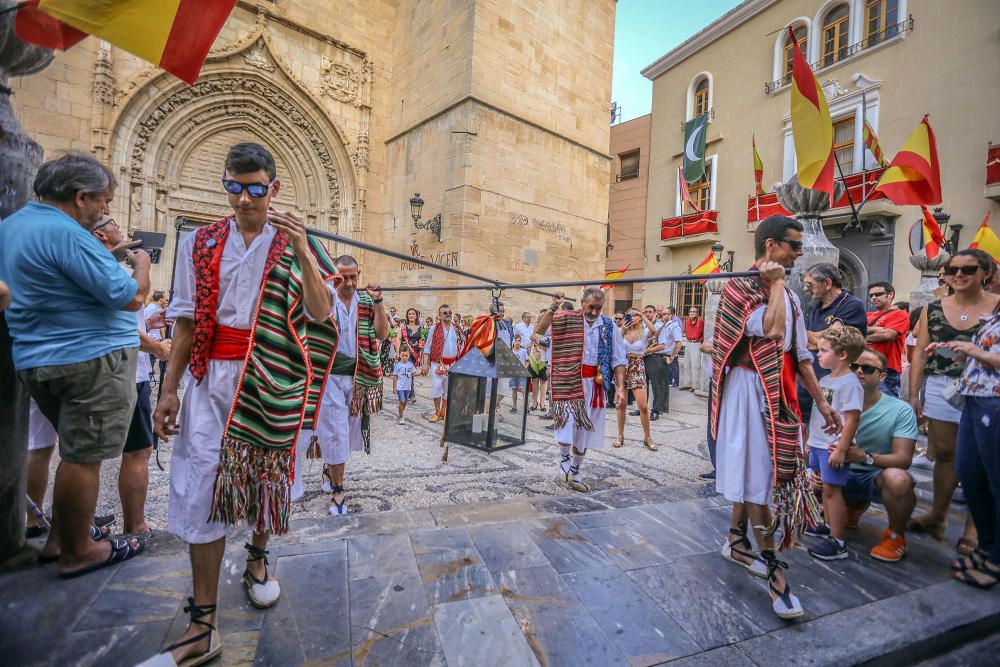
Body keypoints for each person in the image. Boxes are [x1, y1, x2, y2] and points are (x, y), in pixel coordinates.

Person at [149, 143, 340, 665]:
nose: (244, 199)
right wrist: (170, 390)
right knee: (201, 483)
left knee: (266, 476)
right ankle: (203, 619)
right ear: (226, 187)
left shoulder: (297, 242)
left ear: (274, 188)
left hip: (273, 378)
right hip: (211, 380)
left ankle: (257, 558)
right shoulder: (203, 241)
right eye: (234, 187)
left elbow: (322, 317)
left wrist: (303, 249)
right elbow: (185, 321)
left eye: (256, 188)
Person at [0, 153, 150, 577]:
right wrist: (141, 267)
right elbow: (131, 297)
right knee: (83, 457)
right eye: (102, 201)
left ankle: (58, 539)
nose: (105, 209)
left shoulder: (11, 227)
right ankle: (79, 550)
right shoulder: (67, 234)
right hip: (88, 360)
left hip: (37, 357)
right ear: (80, 197)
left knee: (73, 451)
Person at [711, 215, 839, 620]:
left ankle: (736, 540)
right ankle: (775, 575)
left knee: (757, 475)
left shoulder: (794, 297)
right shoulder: (740, 288)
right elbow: (772, 329)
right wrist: (777, 283)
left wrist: (821, 403)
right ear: (771, 246)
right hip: (748, 392)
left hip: (780, 395)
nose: (799, 253)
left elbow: (800, 355)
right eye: (793, 246)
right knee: (758, 480)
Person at [908, 250, 998, 555]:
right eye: (952, 269)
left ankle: (974, 528)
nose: (958, 274)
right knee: (945, 455)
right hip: (941, 387)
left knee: (982, 459)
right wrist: (913, 394)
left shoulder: (997, 307)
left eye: (968, 269)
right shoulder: (932, 308)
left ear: (985, 272)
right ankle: (938, 516)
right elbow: (920, 352)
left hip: (987, 391)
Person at [89, 216, 172, 538]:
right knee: (136, 451)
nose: (120, 228)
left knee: (88, 453)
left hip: (115, 370)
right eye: (111, 221)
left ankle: (78, 522)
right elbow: (119, 320)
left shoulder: (97, 269)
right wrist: (158, 347)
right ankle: (136, 526)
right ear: (101, 233)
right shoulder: (112, 271)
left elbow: (127, 315)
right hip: (123, 372)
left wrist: (150, 326)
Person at [306, 255, 386, 517]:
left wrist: (379, 301)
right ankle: (339, 491)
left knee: (346, 433)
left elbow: (382, 334)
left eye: (354, 277)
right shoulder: (325, 298)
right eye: (343, 277)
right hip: (328, 375)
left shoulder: (366, 301)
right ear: (333, 275)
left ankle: (330, 468)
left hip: (358, 376)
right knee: (335, 431)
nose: (349, 282)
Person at [535, 287, 626, 492]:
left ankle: (575, 472)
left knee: (584, 430)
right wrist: (553, 307)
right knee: (566, 422)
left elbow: (619, 359)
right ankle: (564, 459)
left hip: (595, 385)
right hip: (569, 380)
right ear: (582, 303)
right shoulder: (567, 319)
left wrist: (620, 388)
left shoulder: (609, 326)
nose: (594, 312)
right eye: (591, 307)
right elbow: (539, 331)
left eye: (599, 309)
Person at [836, 348, 919, 563]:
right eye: (854, 366)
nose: (858, 372)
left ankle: (895, 536)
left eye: (867, 368)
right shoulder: (833, 401)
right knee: (806, 473)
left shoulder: (900, 410)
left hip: (873, 476)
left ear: (883, 376)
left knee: (898, 479)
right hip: (837, 473)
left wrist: (864, 457)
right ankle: (850, 508)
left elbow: (904, 459)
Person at [947, 291, 1000, 587]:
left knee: (996, 483)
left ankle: (996, 560)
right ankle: (987, 545)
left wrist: (977, 352)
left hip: (995, 401)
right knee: (970, 476)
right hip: (974, 397)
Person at [804, 326, 866, 561]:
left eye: (823, 350)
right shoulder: (826, 378)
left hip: (833, 446)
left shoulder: (850, 383)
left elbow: (852, 419)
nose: (817, 355)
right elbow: (818, 413)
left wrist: (842, 448)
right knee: (824, 489)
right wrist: (811, 439)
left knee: (833, 491)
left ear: (842, 355)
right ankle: (829, 526)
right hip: (820, 443)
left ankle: (838, 541)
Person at [800, 263, 867, 427]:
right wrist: (813, 339)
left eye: (810, 284)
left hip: (836, 381)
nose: (806, 289)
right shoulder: (813, 306)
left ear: (828, 283)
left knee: (831, 424)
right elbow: (803, 340)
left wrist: (813, 339)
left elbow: (827, 340)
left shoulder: (850, 305)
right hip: (810, 377)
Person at [614, 307, 658, 451]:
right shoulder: (622, 331)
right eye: (630, 315)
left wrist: (642, 315)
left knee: (643, 405)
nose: (632, 317)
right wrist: (622, 330)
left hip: (638, 366)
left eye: (635, 315)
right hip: (622, 366)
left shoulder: (644, 332)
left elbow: (654, 331)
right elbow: (615, 345)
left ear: (639, 317)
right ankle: (620, 435)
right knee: (621, 404)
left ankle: (648, 437)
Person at [865, 282, 910, 397]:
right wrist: (878, 329)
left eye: (878, 294)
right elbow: (851, 332)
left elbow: (887, 335)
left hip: (886, 368)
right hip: (862, 366)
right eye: (871, 295)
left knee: (887, 407)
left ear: (890, 295)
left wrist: (863, 335)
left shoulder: (900, 314)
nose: (874, 297)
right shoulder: (866, 315)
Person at [422, 304, 462, 422]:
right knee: (436, 388)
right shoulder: (434, 329)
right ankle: (437, 411)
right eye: (445, 313)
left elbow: (463, 344)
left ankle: (444, 411)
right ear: (439, 315)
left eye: (450, 312)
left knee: (448, 389)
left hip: (452, 364)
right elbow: (427, 347)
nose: (448, 314)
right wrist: (425, 364)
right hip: (437, 363)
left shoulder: (456, 328)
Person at [640, 304, 666, 420]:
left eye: (650, 312)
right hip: (642, 358)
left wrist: (648, 350)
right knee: (642, 385)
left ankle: (655, 411)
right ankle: (642, 408)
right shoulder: (643, 325)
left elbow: (662, 346)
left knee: (656, 386)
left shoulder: (660, 326)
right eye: (646, 312)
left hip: (654, 358)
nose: (648, 314)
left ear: (655, 312)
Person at [682, 306, 705, 390]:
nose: (692, 313)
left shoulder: (701, 321)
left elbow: (704, 332)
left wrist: (701, 341)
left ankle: (695, 386)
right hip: (688, 343)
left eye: (694, 312)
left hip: (696, 343)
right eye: (691, 312)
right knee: (686, 365)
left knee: (695, 365)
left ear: (697, 314)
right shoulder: (687, 321)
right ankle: (687, 384)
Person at [393, 348, 417, 425]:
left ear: (409, 355)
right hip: (400, 387)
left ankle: (400, 411)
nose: (404, 357)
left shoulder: (411, 364)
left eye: (406, 355)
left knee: (405, 402)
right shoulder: (397, 365)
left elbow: (413, 373)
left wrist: (422, 373)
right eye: (403, 355)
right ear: (400, 355)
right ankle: (401, 417)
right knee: (402, 401)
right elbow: (395, 376)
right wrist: (394, 387)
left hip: (408, 387)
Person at [527, 338, 549, 411]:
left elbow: (547, 347)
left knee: (543, 381)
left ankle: (542, 404)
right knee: (535, 380)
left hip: (543, 359)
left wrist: (538, 342)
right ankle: (534, 403)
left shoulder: (548, 332)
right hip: (533, 358)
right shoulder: (536, 330)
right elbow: (531, 343)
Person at [664, 307, 683, 387]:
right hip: (666, 352)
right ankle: (669, 382)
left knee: (674, 367)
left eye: (665, 314)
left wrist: (672, 356)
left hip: (672, 352)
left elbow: (678, 342)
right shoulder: (664, 325)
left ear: (671, 315)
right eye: (662, 314)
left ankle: (676, 382)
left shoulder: (675, 325)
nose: (663, 316)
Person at [510, 333, 529, 412]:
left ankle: (526, 407)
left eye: (519, 340)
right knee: (514, 390)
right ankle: (514, 407)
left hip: (521, 373)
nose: (517, 342)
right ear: (513, 342)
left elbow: (527, 361)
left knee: (523, 390)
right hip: (513, 373)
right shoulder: (510, 351)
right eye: (516, 340)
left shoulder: (523, 351)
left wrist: (525, 367)